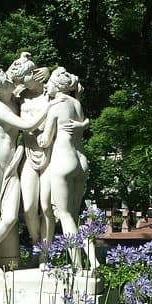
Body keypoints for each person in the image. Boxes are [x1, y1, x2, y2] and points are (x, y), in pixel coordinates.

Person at [0, 68, 46, 274]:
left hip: (10, 164)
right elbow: (28, 124)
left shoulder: (12, 101)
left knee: (10, 218)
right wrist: (53, 105)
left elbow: (28, 78)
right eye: (7, 81)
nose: (11, 81)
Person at [37, 66, 90, 267]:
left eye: (48, 83)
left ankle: (78, 268)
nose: (46, 87)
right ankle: (89, 262)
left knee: (65, 215)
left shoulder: (56, 106)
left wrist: (36, 133)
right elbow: (82, 125)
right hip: (81, 161)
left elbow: (45, 141)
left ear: (56, 85)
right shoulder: (76, 103)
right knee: (74, 217)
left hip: (63, 159)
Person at [6, 52, 51, 246]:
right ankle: (36, 244)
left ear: (35, 73)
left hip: (51, 154)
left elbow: (75, 86)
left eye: (24, 79)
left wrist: (50, 71)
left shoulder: (51, 91)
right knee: (29, 208)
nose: (21, 83)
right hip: (29, 154)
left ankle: (45, 253)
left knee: (47, 207)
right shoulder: (18, 96)